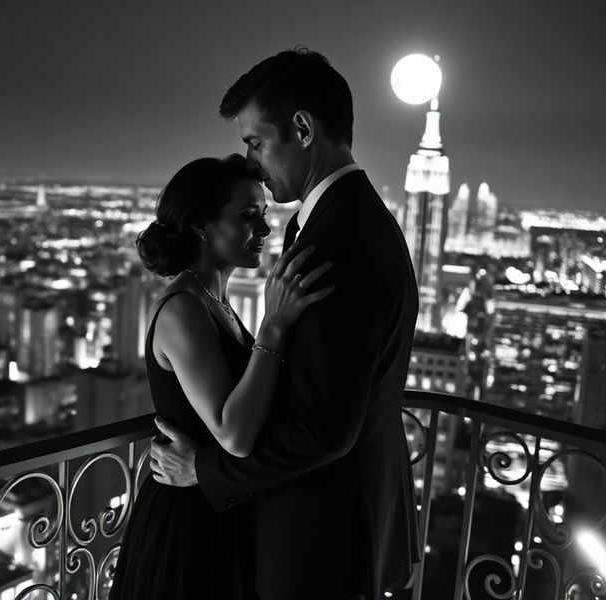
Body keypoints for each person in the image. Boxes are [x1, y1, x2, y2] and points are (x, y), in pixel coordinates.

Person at [149, 47, 421, 600]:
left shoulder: (336, 241)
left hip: (320, 534)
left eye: (254, 141)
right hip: (335, 517)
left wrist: (205, 471)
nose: (252, 158)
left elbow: (323, 428)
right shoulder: (353, 219)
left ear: (301, 128)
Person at [108, 153, 334, 600]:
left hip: (216, 505)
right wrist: (273, 328)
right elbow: (233, 434)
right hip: (187, 521)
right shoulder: (183, 309)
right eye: (248, 217)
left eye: (264, 214)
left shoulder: (215, 302)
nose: (265, 230)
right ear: (202, 226)